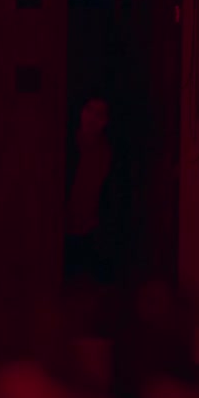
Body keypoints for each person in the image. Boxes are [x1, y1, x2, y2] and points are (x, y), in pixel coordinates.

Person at [63, 95, 131, 288]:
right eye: (89, 110)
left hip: (91, 229)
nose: (92, 118)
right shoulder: (66, 143)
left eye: (99, 114)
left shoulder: (108, 153)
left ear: (107, 120)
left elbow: (112, 193)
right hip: (63, 227)